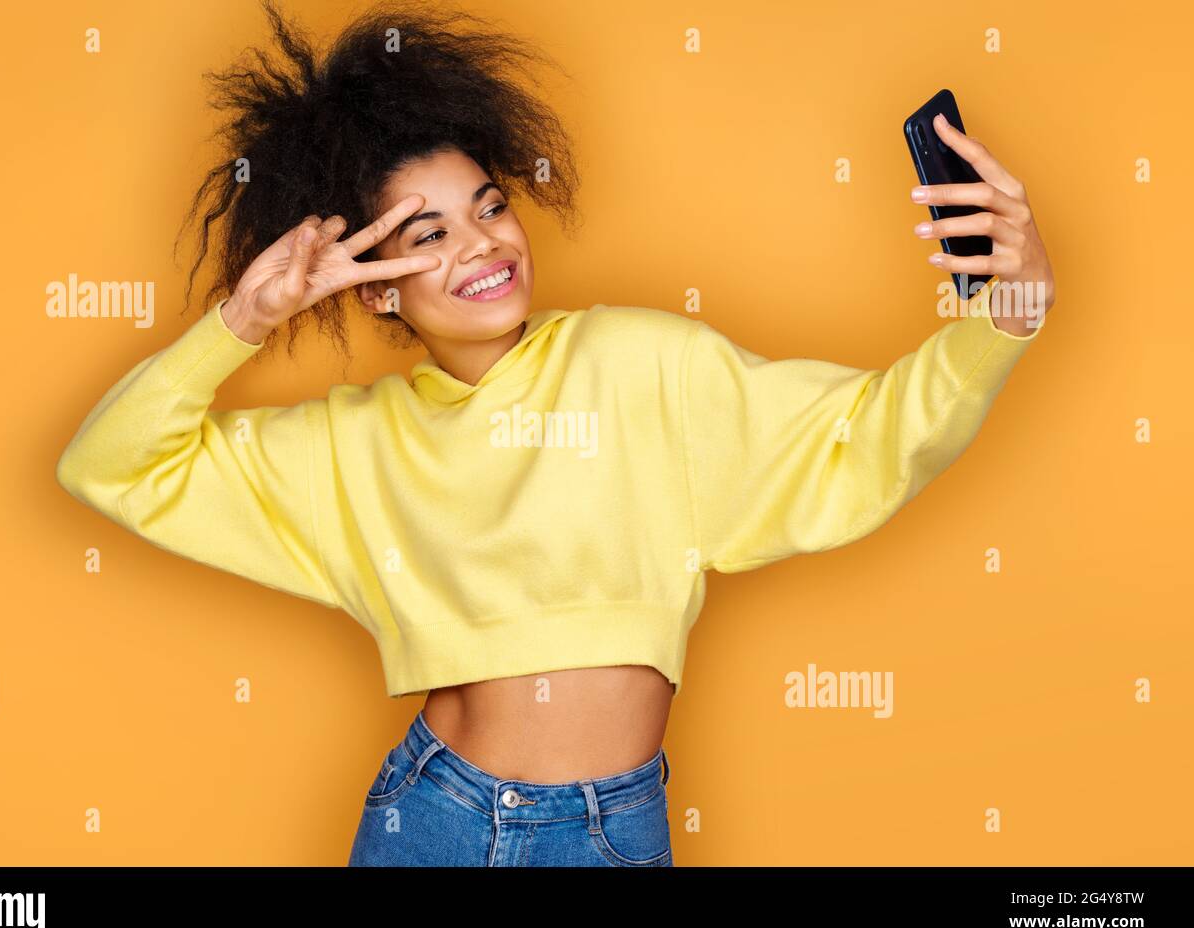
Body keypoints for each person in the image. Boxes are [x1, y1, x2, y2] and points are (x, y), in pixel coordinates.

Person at [55, 0, 1054, 867]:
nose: (481, 242)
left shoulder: (640, 362)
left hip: (610, 824)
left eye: (488, 206)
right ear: (377, 285)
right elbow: (109, 466)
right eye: (427, 234)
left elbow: (866, 437)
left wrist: (1006, 309)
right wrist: (244, 319)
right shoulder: (349, 447)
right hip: (431, 816)